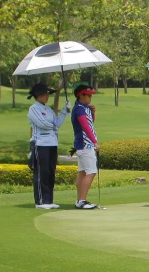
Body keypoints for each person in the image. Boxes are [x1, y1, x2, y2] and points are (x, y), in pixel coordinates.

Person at [27, 83, 69, 209]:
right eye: (45, 94)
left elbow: (57, 123)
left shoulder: (48, 109)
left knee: (51, 172)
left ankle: (49, 200)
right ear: (38, 95)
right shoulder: (33, 109)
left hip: (52, 143)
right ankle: (40, 201)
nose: (47, 97)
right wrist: (54, 127)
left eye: (47, 94)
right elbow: (42, 124)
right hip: (40, 144)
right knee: (42, 172)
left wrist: (64, 111)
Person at [70, 82, 100, 210]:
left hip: (82, 145)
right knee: (91, 171)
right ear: (81, 95)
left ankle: (79, 200)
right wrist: (95, 142)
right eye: (88, 95)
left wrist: (92, 113)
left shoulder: (84, 107)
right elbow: (85, 127)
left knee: (82, 172)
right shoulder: (79, 109)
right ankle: (82, 200)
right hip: (85, 144)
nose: (90, 97)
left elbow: (90, 123)